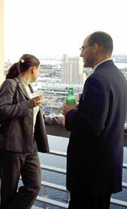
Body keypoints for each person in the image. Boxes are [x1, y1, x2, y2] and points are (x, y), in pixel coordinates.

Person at [62, 31, 127, 209]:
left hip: (90, 172)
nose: (81, 54)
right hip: (106, 169)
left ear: (95, 48)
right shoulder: (119, 77)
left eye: (83, 48)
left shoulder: (96, 80)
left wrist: (69, 113)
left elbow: (91, 127)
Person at [0, 54, 49, 209]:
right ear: (33, 69)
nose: (39, 74)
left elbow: (35, 117)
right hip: (11, 146)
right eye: (39, 70)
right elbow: (1, 111)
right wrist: (28, 105)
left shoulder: (29, 89)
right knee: (8, 191)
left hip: (29, 145)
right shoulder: (10, 84)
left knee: (34, 186)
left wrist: (60, 120)